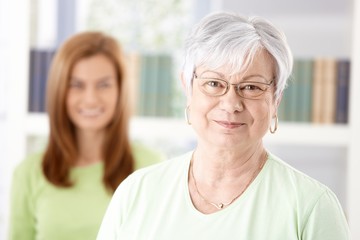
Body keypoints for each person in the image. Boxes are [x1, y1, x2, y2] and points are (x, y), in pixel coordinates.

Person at [97, 12, 350, 239]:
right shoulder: (136, 193)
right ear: (188, 88)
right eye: (214, 84)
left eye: (251, 87)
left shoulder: (311, 206)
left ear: (276, 99)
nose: (231, 104)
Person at [9, 31, 164, 240]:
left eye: (104, 85)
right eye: (76, 85)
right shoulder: (29, 173)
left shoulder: (151, 168)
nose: (90, 99)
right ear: (59, 91)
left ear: (120, 90)